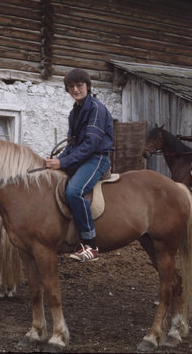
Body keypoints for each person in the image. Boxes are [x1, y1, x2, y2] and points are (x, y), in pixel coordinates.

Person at [44, 68, 114, 262]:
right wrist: (54, 161)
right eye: (71, 87)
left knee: (74, 191)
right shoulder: (74, 113)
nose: (76, 89)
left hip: (97, 158)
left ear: (87, 86)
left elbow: (91, 144)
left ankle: (91, 246)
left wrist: (63, 162)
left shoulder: (96, 109)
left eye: (79, 85)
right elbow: (72, 144)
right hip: (82, 157)